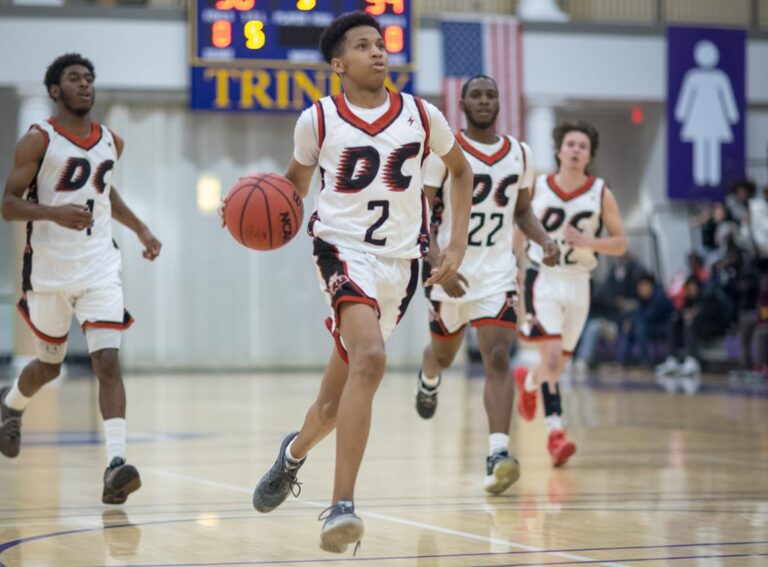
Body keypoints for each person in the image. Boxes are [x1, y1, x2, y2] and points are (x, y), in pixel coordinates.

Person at [250, 13, 473, 554]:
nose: (378, 52)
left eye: (381, 44)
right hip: (341, 251)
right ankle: (341, 506)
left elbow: (461, 172)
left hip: (403, 264)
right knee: (370, 358)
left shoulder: (422, 115)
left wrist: (455, 244)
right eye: (363, 46)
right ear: (337, 64)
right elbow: (292, 189)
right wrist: (253, 212)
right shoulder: (318, 121)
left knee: (332, 405)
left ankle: (292, 455)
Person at [0, 53, 162, 504]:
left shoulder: (112, 141)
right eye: (74, 78)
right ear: (55, 91)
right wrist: (53, 212)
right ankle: (10, 404)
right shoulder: (38, 140)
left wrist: (141, 229)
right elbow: (8, 204)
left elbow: (104, 192)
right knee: (48, 367)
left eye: (89, 78)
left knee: (106, 362)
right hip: (49, 271)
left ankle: (115, 467)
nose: (84, 85)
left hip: (99, 267)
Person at [412, 75, 558, 495]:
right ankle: (429, 375)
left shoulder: (521, 154)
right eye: (476, 94)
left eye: (491, 94)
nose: (484, 100)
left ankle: (498, 454)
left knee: (497, 357)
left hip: (496, 273)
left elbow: (523, 211)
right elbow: (422, 216)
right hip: (450, 272)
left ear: (499, 103)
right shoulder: (443, 153)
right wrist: (440, 262)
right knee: (443, 353)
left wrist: (544, 239)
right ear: (462, 103)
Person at [515, 120, 627, 467]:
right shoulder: (539, 186)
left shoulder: (601, 192)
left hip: (579, 281)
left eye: (582, 146)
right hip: (544, 278)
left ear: (590, 154)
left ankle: (529, 382)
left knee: (558, 365)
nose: (576, 150)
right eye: (570, 144)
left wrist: (588, 242)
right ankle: (555, 434)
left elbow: (620, 243)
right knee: (551, 358)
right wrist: (514, 269)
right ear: (559, 150)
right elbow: (520, 227)